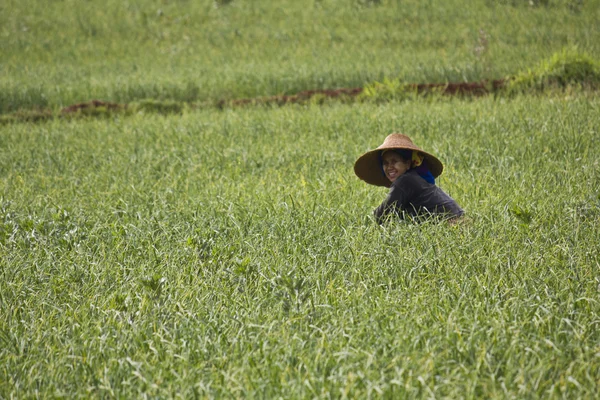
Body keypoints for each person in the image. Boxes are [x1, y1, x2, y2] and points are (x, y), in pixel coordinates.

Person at [354, 133, 463, 224]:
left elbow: (382, 215)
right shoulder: (416, 178)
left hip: (452, 224)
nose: (389, 167)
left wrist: (362, 222)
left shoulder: (405, 181)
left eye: (394, 161)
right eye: (385, 163)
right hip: (459, 221)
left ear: (407, 164)